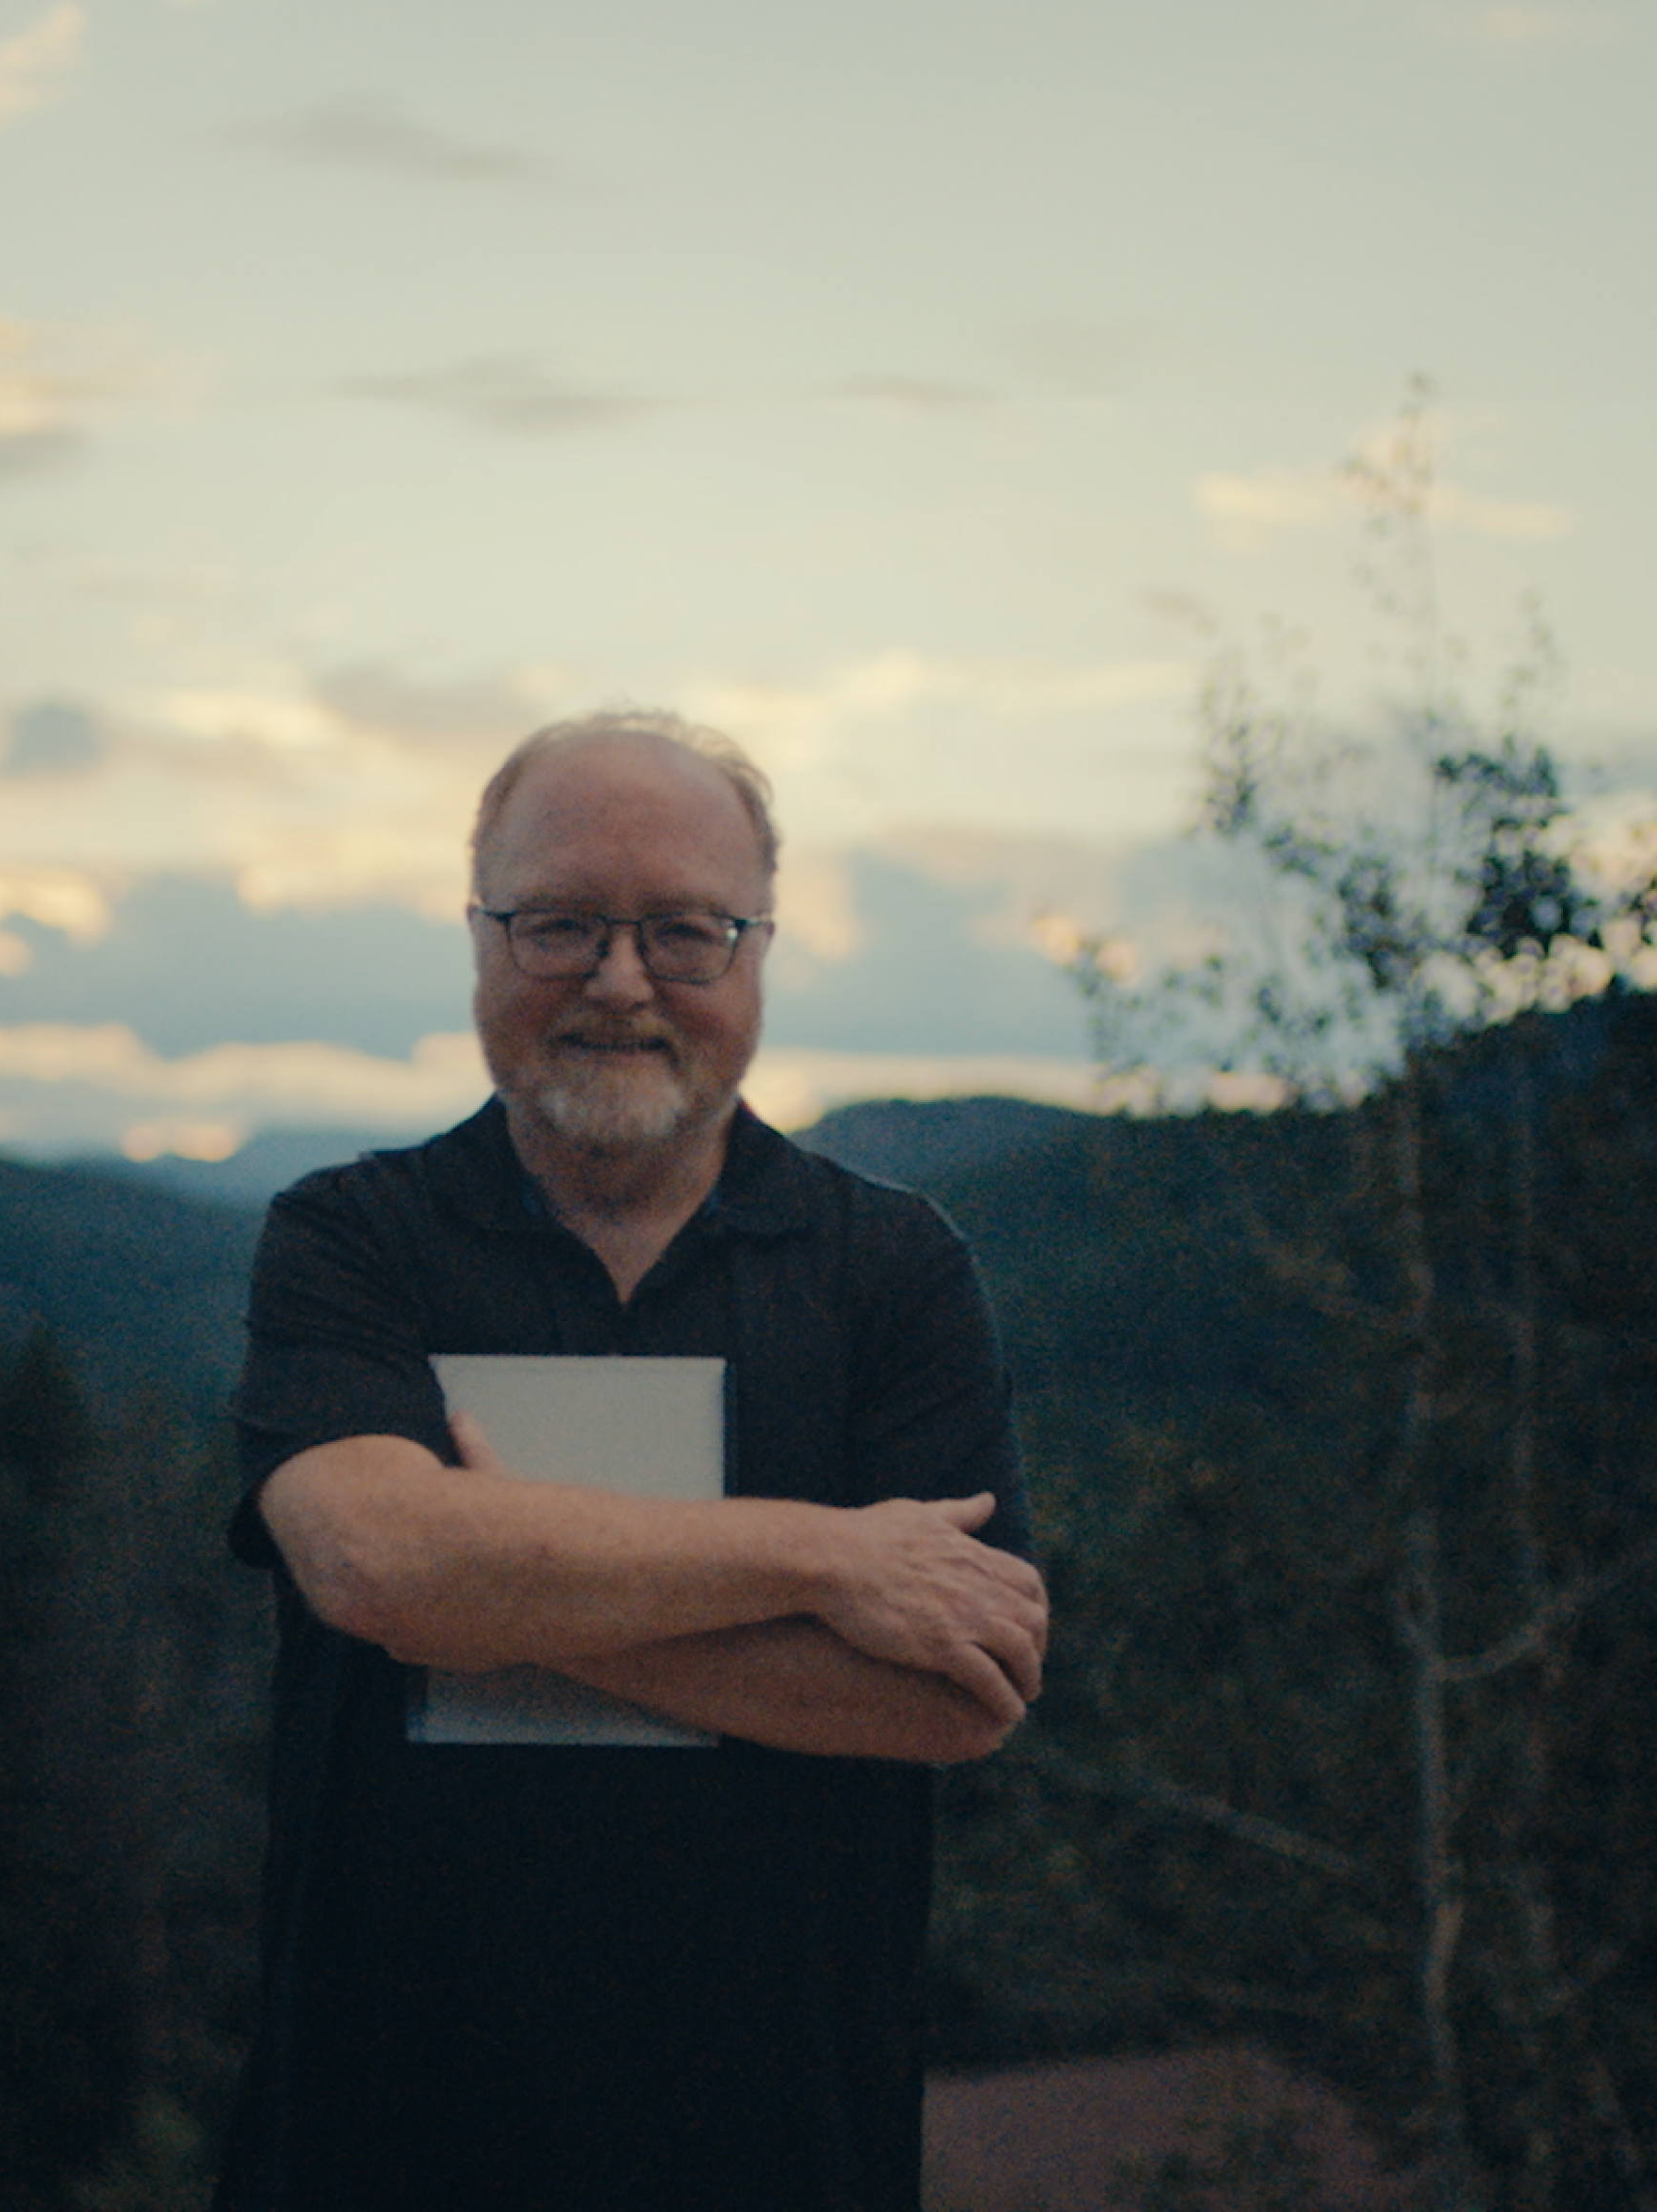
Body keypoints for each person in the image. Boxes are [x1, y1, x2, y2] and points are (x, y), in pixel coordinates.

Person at [214, 709, 1048, 2212]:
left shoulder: (894, 1273)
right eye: (559, 926)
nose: (616, 981)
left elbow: (957, 1688)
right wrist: (827, 1560)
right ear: (480, 937)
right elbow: (372, 1559)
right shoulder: (350, 1238)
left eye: (683, 932)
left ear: (760, 951)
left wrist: (495, 1593)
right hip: (383, 2142)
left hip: (782, 2151)